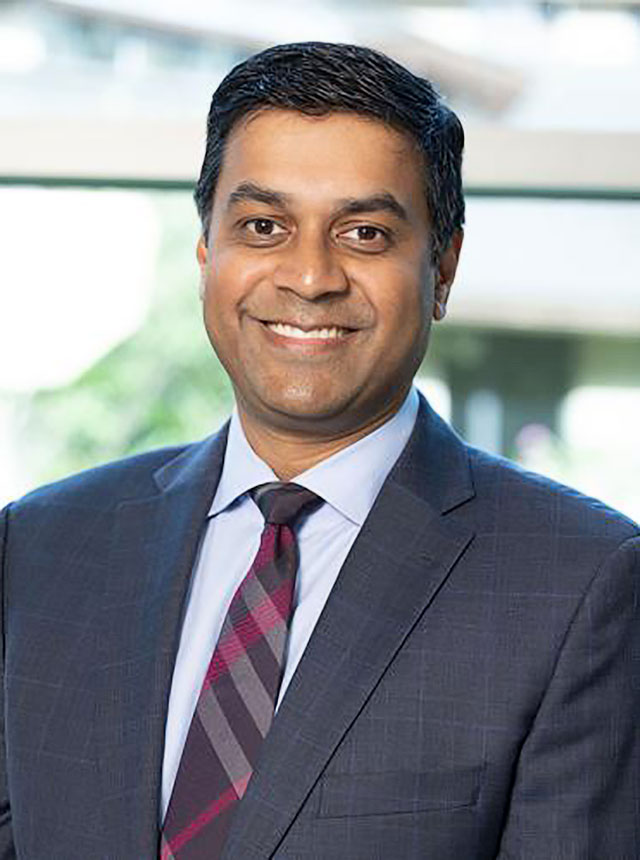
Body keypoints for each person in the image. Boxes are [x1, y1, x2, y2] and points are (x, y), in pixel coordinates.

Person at [0, 42, 638, 860]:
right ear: (207, 255)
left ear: (441, 269)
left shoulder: (582, 584)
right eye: (263, 226)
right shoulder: (41, 549)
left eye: (364, 233)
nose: (309, 276)